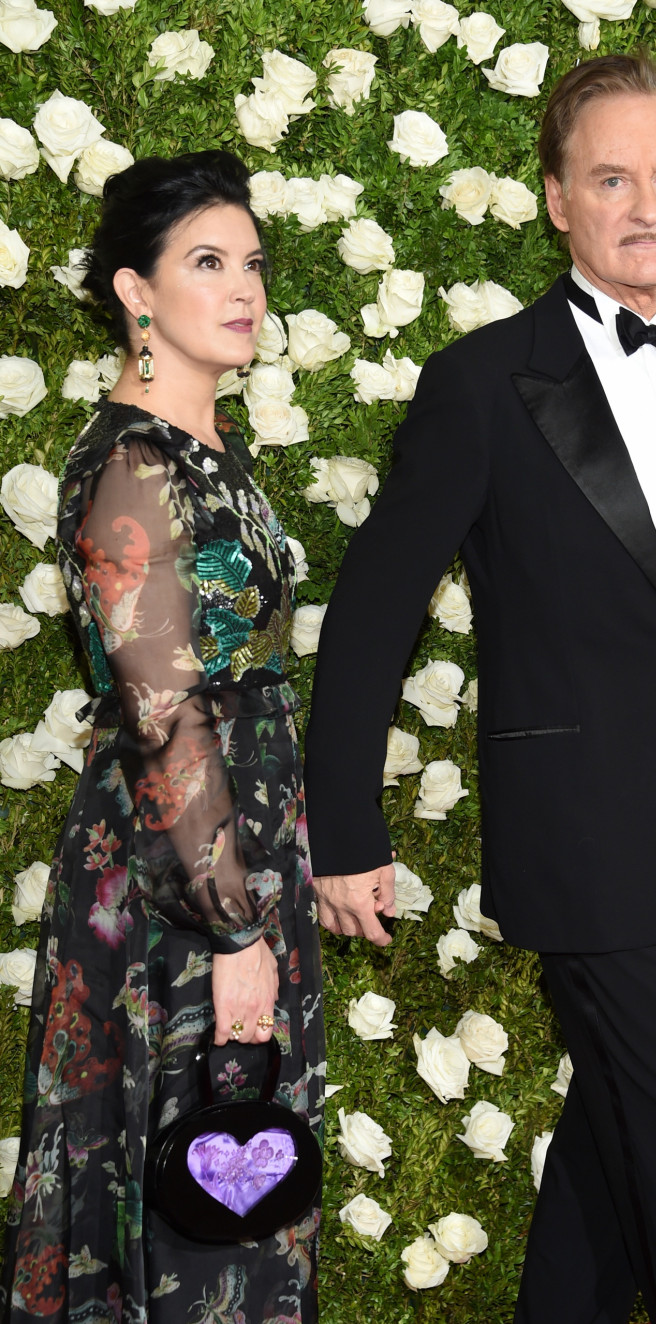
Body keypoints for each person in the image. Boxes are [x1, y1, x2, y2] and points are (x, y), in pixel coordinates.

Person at [303, 53, 656, 1324]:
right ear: (555, 199)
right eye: (611, 177)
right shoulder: (484, 382)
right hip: (589, 848)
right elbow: (373, 614)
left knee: (612, 1156)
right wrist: (347, 832)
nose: (648, 206)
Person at [1, 152, 324, 1323]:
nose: (243, 287)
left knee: (236, 1170)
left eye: (252, 263)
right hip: (176, 876)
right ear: (137, 293)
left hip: (234, 851)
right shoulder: (134, 463)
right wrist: (234, 921)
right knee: (183, 1182)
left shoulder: (213, 448)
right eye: (206, 262)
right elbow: (164, 717)